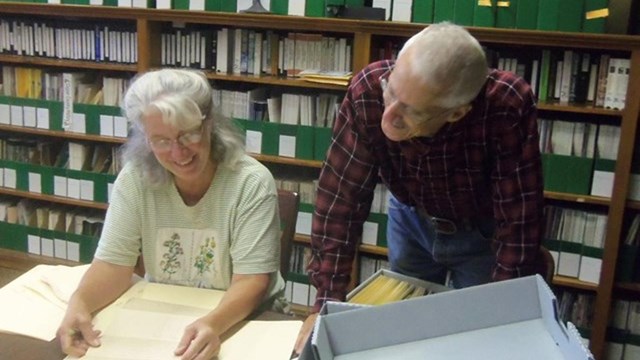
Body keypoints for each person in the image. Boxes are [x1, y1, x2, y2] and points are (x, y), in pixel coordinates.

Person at [294, 22, 544, 353]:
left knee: (476, 341)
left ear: (457, 112)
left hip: (481, 233)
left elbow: (519, 219)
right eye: (392, 91)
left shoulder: (506, 105)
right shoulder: (369, 89)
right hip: (412, 218)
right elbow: (341, 201)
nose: (389, 116)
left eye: (411, 110)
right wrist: (325, 303)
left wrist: (501, 318)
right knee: (404, 336)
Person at [57, 68, 285, 359]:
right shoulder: (134, 179)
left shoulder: (249, 181)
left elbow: (251, 281)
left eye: (188, 134)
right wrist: (80, 303)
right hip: (165, 317)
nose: (178, 153)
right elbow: (114, 265)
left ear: (209, 124)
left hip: (245, 320)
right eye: (161, 141)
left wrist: (213, 323)